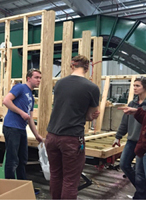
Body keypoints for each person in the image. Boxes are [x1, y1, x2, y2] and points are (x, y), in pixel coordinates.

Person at [45, 55, 100, 199]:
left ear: (72, 66)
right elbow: (90, 116)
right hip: (71, 138)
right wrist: (92, 116)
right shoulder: (92, 87)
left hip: (51, 136)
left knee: (56, 175)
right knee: (70, 180)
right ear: (87, 68)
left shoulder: (59, 84)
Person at [2, 68, 43, 180]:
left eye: (40, 78)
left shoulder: (31, 97)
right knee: (12, 159)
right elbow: (6, 101)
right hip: (12, 127)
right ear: (28, 78)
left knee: (23, 159)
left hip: (20, 129)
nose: (39, 80)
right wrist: (21, 112)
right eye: (36, 77)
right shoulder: (20, 87)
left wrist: (37, 135)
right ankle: (9, 185)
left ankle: (22, 185)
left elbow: (29, 118)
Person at [113, 77, 146, 199]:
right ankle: (141, 189)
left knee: (140, 173)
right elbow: (124, 122)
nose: (135, 88)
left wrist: (137, 111)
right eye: (134, 85)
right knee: (124, 164)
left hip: (143, 143)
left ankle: (141, 193)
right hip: (131, 141)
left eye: (138, 86)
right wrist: (118, 136)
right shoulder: (132, 103)